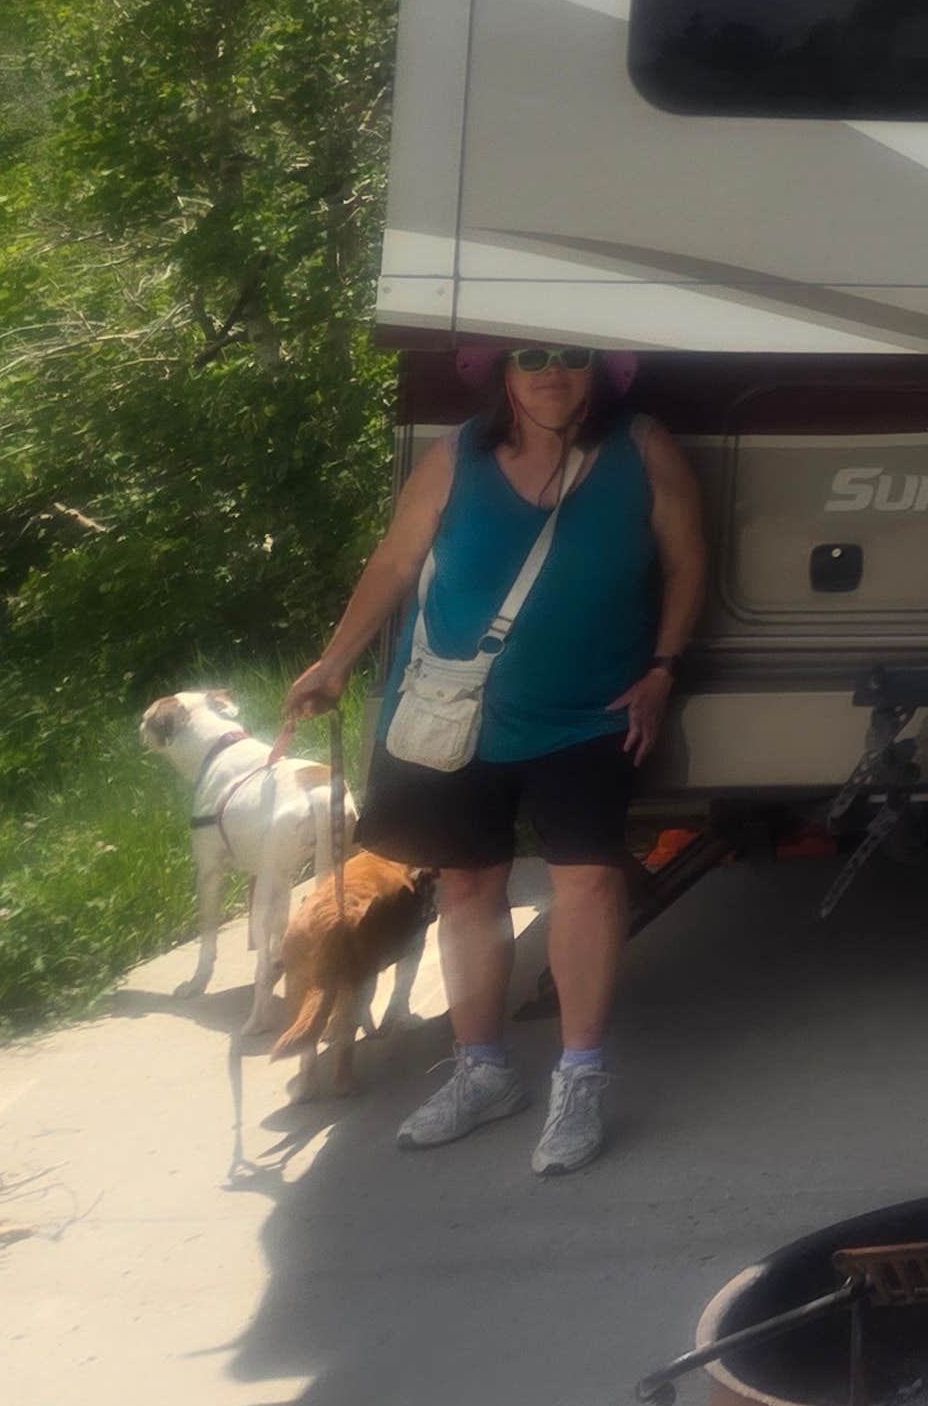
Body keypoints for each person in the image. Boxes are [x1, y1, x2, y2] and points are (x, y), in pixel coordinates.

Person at [286, 345, 705, 1176]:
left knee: (588, 878)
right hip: (451, 710)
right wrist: (334, 662)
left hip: (590, 710)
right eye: (532, 358)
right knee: (469, 883)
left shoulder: (643, 448)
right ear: (505, 374)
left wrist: (663, 668)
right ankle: (483, 1073)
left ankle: (578, 1078)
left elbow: (689, 561)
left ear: (602, 371)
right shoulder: (456, 457)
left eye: (572, 358)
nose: (553, 374)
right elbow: (395, 563)